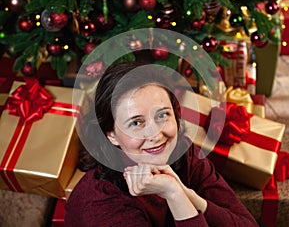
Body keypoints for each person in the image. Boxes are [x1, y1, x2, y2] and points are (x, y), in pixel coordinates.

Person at [65, 60, 258, 227]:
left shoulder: (185, 153)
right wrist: (174, 194)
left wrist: (189, 196)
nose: (156, 134)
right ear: (111, 135)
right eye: (136, 123)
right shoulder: (101, 202)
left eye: (162, 115)